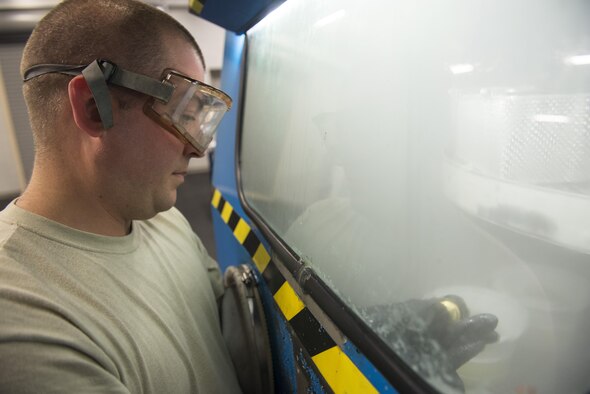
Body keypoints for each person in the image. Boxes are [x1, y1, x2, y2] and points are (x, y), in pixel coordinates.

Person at [0, 0, 241, 392]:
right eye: (183, 114)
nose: (196, 151)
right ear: (96, 108)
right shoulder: (20, 315)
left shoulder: (165, 220)